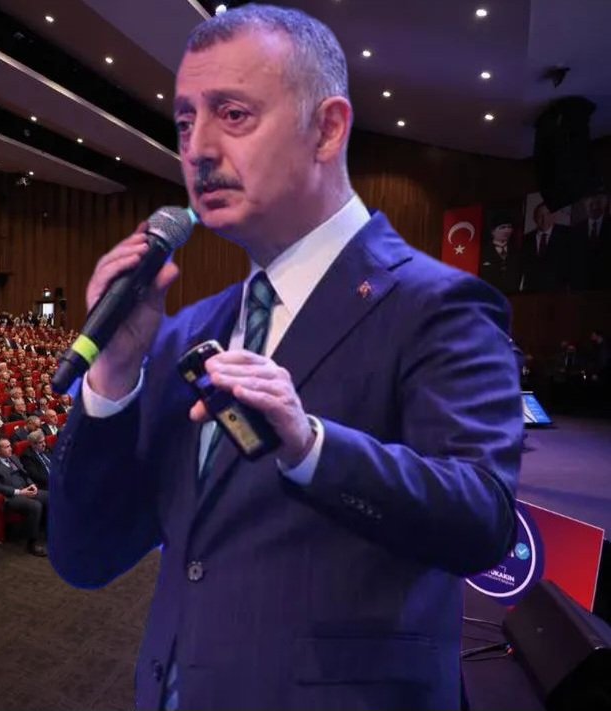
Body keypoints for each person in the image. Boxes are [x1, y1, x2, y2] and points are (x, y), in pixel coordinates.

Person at [48, 6, 521, 711]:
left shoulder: (439, 305)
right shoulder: (186, 332)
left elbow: (483, 521)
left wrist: (311, 447)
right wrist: (113, 377)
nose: (198, 149)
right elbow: (87, 556)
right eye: (184, 122)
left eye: (233, 114)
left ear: (327, 129)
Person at [0, 438, 48, 556]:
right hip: (11, 496)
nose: (10, 449)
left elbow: (25, 474)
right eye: (6, 447)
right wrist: (19, 492)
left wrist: (32, 484)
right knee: (36, 506)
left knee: (50, 497)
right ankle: (32, 543)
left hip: (26, 489)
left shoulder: (13, 458)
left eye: (10, 446)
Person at [520, 201, 569, 292]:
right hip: (532, 291)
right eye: (540, 216)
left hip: (559, 291)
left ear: (553, 216)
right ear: (535, 218)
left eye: (548, 214)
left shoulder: (566, 235)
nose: (544, 219)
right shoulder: (526, 239)